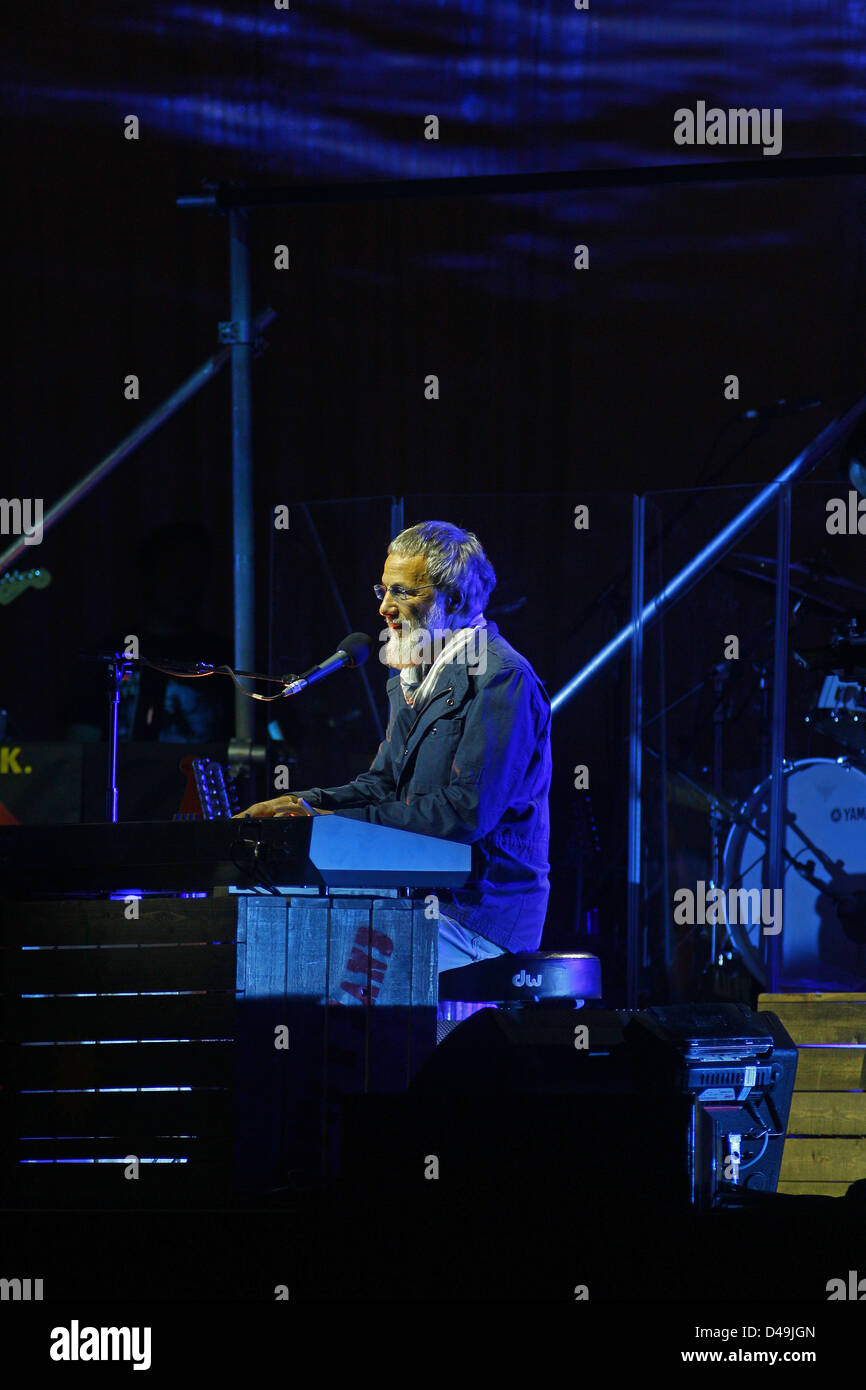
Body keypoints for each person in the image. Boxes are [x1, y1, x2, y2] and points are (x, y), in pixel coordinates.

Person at [237, 521, 552, 971]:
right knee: (260, 913)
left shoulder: (502, 678)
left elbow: (467, 812)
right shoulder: (412, 674)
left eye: (402, 592)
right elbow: (382, 786)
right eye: (382, 590)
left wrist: (331, 821)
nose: (385, 608)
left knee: (319, 960)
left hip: (476, 916)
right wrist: (301, 804)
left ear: (454, 601)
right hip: (412, 894)